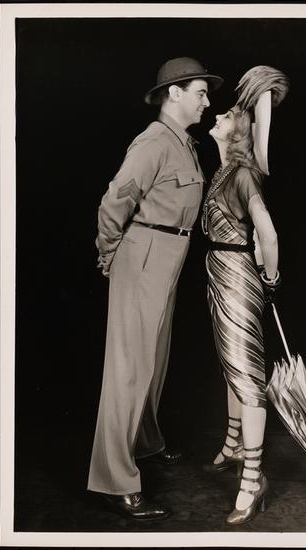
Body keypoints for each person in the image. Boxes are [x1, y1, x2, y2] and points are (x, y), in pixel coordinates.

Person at [88, 57, 223, 521]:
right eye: (200, 93)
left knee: (154, 361)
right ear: (174, 94)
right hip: (144, 255)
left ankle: (143, 442)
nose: (207, 102)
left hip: (168, 257)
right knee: (129, 368)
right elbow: (115, 202)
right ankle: (114, 481)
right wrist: (109, 255)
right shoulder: (153, 141)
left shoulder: (182, 143)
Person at [202, 66, 289, 525]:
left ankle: (253, 481)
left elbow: (268, 233)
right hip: (222, 272)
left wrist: (270, 278)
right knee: (232, 367)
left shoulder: (242, 175)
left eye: (227, 115)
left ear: (237, 132)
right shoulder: (224, 171)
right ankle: (235, 444)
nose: (217, 115)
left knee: (248, 378)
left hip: (236, 277)